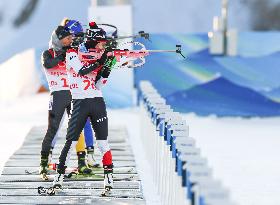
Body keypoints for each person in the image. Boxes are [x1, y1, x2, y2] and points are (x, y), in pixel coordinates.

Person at [52, 22, 115, 191]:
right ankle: (58, 177)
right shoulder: (72, 53)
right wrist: (101, 59)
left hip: (97, 102)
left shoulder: (98, 55)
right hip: (79, 102)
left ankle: (108, 178)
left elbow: (99, 84)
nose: (103, 45)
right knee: (70, 142)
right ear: (94, 40)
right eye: (102, 41)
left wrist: (108, 66)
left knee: (103, 142)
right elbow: (82, 71)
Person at [40, 25, 92, 180]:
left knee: (77, 128)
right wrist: (62, 56)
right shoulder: (48, 53)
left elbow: (87, 62)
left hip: (73, 94)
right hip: (57, 95)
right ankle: (43, 163)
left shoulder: (73, 52)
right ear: (58, 39)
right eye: (67, 37)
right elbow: (48, 64)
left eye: (71, 37)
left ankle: (82, 162)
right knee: (53, 129)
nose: (71, 39)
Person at [63, 18, 100, 168]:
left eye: (80, 35)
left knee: (86, 122)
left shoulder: (81, 46)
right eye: (75, 36)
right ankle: (54, 157)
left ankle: (89, 156)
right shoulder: (62, 47)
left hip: (81, 89)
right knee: (66, 125)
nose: (78, 39)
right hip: (66, 90)